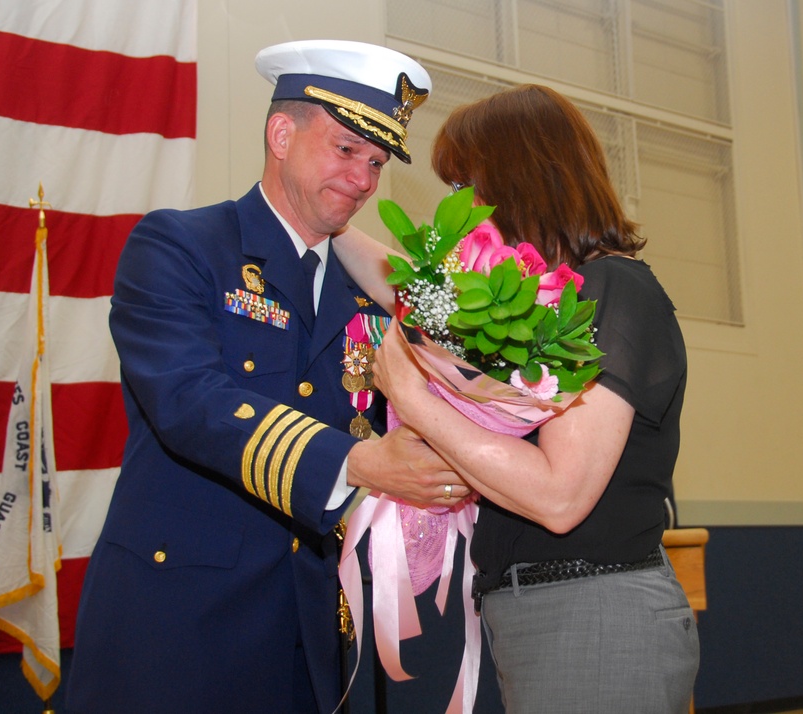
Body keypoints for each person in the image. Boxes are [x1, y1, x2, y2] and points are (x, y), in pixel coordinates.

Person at [65, 39, 471, 714]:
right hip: (179, 628)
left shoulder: (365, 297)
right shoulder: (181, 247)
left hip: (308, 637)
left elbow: (462, 369)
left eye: (375, 162)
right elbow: (190, 403)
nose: (364, 179)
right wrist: (362, 461)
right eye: (346, 150)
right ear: (281, 133)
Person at [337, 84, 699, 712]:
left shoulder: (613, 290)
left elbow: (560, 497)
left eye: (462, 186)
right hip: (541, 611)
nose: (459, 208)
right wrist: (324, 218)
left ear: (516, 180)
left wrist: (408, 394)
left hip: (595, 608)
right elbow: (397, 281)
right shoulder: (535, 307)